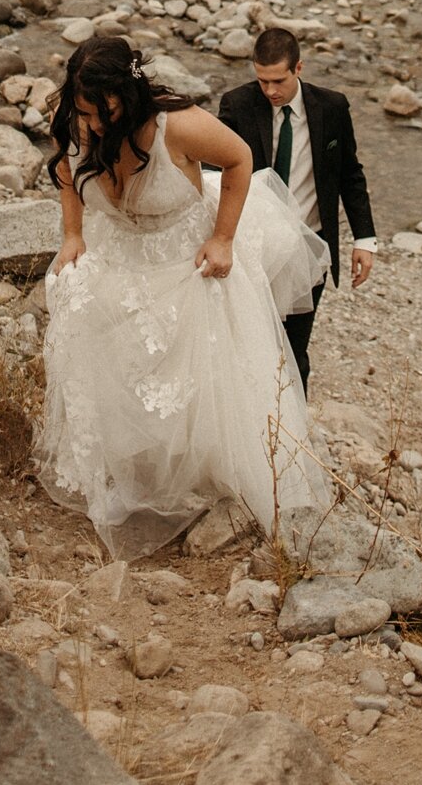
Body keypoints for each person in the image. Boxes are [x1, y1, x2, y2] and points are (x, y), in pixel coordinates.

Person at [35, 34, 327, 560]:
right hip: (121, 248)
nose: (95, 125)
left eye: (105, 112)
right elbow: (65, 171)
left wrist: (222, 239)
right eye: (85, 113)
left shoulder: (180, 125)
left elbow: (239, 160)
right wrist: (73, 235)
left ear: (129, 93)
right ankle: (131, 465)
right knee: (96, 329)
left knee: (205, 371)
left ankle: (208, 475)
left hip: (186, 252)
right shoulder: (77, 115)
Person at [218, 27, 376, 395]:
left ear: (299, 68)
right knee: (246, 339)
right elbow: (214, 172)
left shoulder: (333, 107)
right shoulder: (237, 105)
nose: (270, 91)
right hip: (251, 247)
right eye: (262, 80)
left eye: (278, 80)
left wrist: (365, 239)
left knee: (295, 348)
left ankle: (294, 433)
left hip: (310, 246)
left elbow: (350, 174)